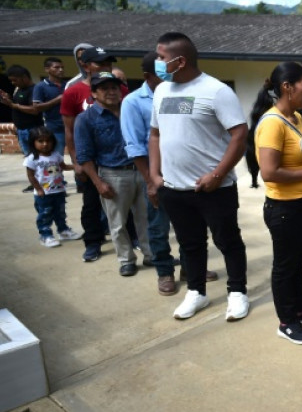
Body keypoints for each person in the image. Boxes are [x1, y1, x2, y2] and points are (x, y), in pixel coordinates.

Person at [149, 32, 249, 321]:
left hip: (214, 188)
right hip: (174, 188)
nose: (157, 62)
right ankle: (197, 292)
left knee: (227, 240)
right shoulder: (161, 92)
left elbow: (240, 135)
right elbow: (154, 135)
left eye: (161, 57)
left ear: (180, 61)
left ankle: (237, 292)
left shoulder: (216, 91)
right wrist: (155, 175)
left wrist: (218, 174)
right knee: (189, 243)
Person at [121, 51, 218, 295]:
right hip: (157, 176)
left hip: (186, 176)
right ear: (148, 76)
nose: (171, 74)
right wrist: (151, 180)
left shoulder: (178, 95)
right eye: (163, 70)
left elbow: (186, 133)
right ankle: (164, 272)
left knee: (192, 226)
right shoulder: (133, 102)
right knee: (158, 228)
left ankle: (190, 268)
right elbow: (136, 145)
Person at [251, 62, 302, 345]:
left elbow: (299, 153)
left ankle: (301, 308)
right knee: (285, 266)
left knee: (298, 261)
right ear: (287, 87)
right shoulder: (272, 123)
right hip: (284, 208)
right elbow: (269, 172)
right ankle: (287, 321)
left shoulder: (295, 118)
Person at [74, 72, 151, 277]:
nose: (111, 92)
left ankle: (151, 255)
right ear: (94, 93)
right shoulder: (86, 119)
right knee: (117, 223)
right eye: (104, 88)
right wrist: (98, 182)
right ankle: (126, 260)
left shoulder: (131, 110)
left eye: (114, 87)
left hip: (142, 170)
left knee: (146, 218)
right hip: (113, 175)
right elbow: (84, 155)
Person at [61, 46, 127, 262]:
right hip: (91, 159)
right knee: (91, 203)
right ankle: (93, 242)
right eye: (101, 64)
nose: (106, 67)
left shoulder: (120, 89)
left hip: (117, 158)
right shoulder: (73, 92)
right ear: (86, 65)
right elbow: (69, 131)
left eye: (108, 63)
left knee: (126, 203)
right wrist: (76, 160)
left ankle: (132, 238)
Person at [23, 126, 77, 247]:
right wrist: (38, 189)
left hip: (59, 191)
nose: (45, 144)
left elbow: (63, 166)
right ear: (33, 142)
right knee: (45, 215)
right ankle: (45, 235)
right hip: (44, 193)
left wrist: (76, 166)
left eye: (48, 141)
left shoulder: (55, 155)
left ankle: (63, 231)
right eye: (40, 141)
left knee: (60, 213)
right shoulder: (32, 158)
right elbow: (31, 176)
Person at [0, 66, 44, 191]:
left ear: (24, 78)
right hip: (21, 130)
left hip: (32, 130)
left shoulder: (34, 90)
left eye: (15, 80)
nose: (13, 83)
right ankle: (34, 182)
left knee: (37, 157)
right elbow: (18, 106)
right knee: (29, 158)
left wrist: (12, 105)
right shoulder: (19, 90)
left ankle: (42, 182)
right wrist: (9, 100)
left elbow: (34, 110)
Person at [32, 57, 67, 159]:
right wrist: (57, 100)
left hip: (71, 127)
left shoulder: (68, 85)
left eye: (62, 67)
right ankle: (56, 176)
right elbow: (36, 107)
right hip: (55, 128)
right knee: (56, 157)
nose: (61, 70)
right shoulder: (41, 86)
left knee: (78, 156)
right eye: (56, 67)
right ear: (47, 69)